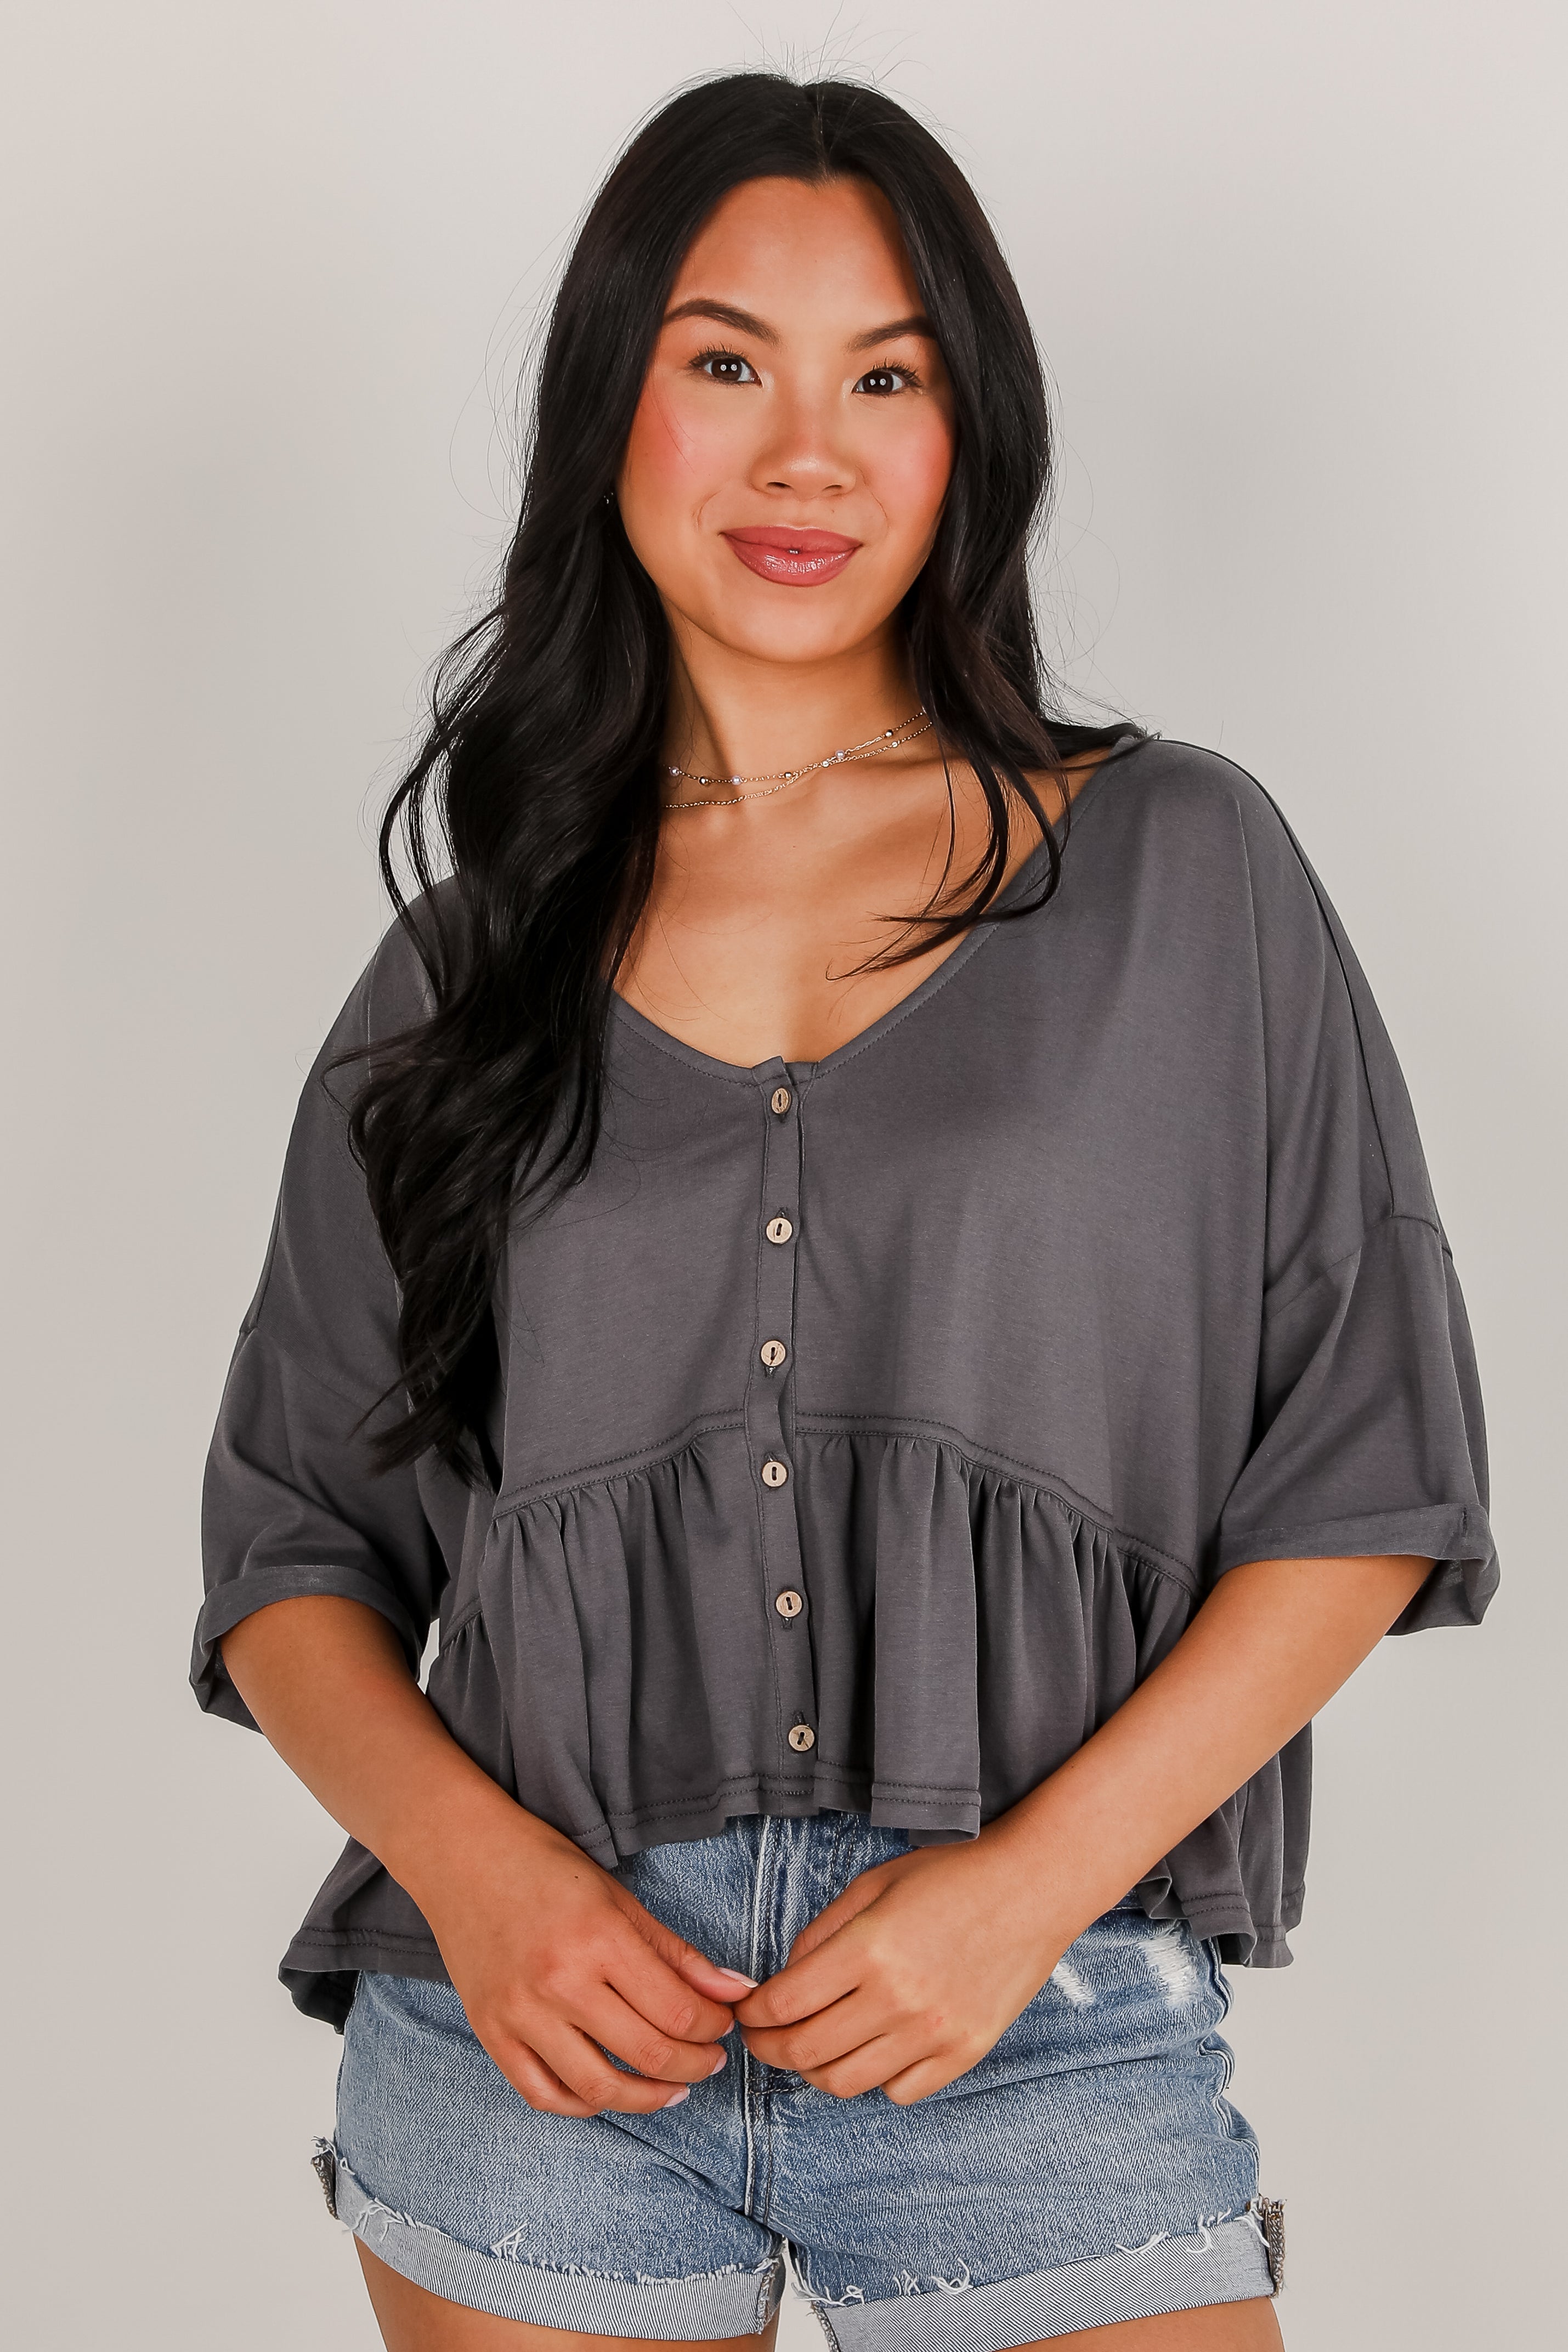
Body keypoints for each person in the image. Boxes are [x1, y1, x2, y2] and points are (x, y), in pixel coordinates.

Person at [192, 73, 1497, 2352]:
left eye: (885, 379)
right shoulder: (467, 967)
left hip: (1039, 2013)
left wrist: (1023, 1894)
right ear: (609, 409)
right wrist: (484, 1889)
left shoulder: (1179, 870)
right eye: (727, 363)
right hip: (539, 2039)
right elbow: (295, 1548)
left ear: (968, 436)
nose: (806, 456)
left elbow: (1366, 1474)